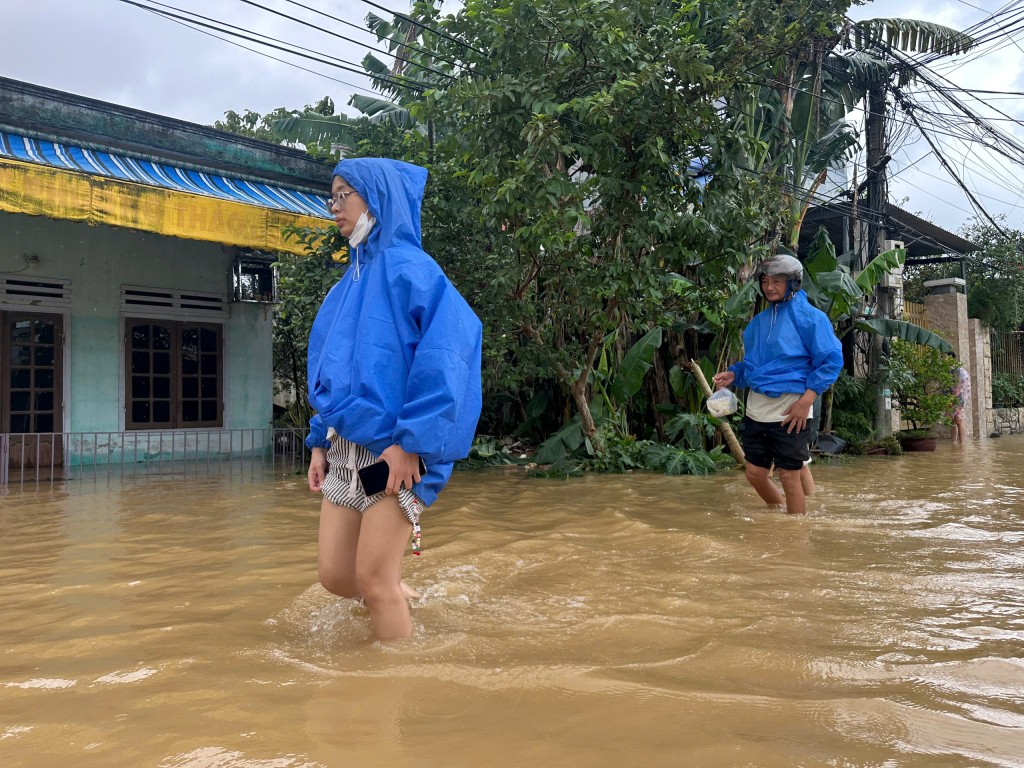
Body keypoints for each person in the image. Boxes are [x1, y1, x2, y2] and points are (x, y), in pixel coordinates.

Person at [305, 158, 483, 640]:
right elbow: (329, 371)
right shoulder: (346, 286)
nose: (335, 206)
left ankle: (392, 690)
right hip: (345, 446)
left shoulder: (413, 271)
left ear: (376, 198)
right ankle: (399, 605)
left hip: (397, 450)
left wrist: (412, 443)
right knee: (335, 576)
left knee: (374, 580)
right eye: (333, 196)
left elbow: (451, 354)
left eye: (345, 194)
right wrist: (319, 441)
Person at [712, 254, 842, 515]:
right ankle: (779, 512)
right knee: (754, 473)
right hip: (756, 407)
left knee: (789, 475)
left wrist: (805, 402)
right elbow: (754, 365)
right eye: (766, 281)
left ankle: (795, 536)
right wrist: (735, 375)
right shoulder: (759, 322)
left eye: (777, 281)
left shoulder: (811, 318)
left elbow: (830, 361)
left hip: (792, 406)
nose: (769, 287)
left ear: (794, 283)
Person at [949, 353, 971, 445]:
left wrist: (953, 396)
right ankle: (953, 442)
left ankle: (962, 443)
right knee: (951, 420)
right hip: (948, 398)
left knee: (958, 419)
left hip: (958, 398)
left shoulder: (959, 371)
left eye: (948, 358)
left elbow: (961, 384)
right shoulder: (944, 370)